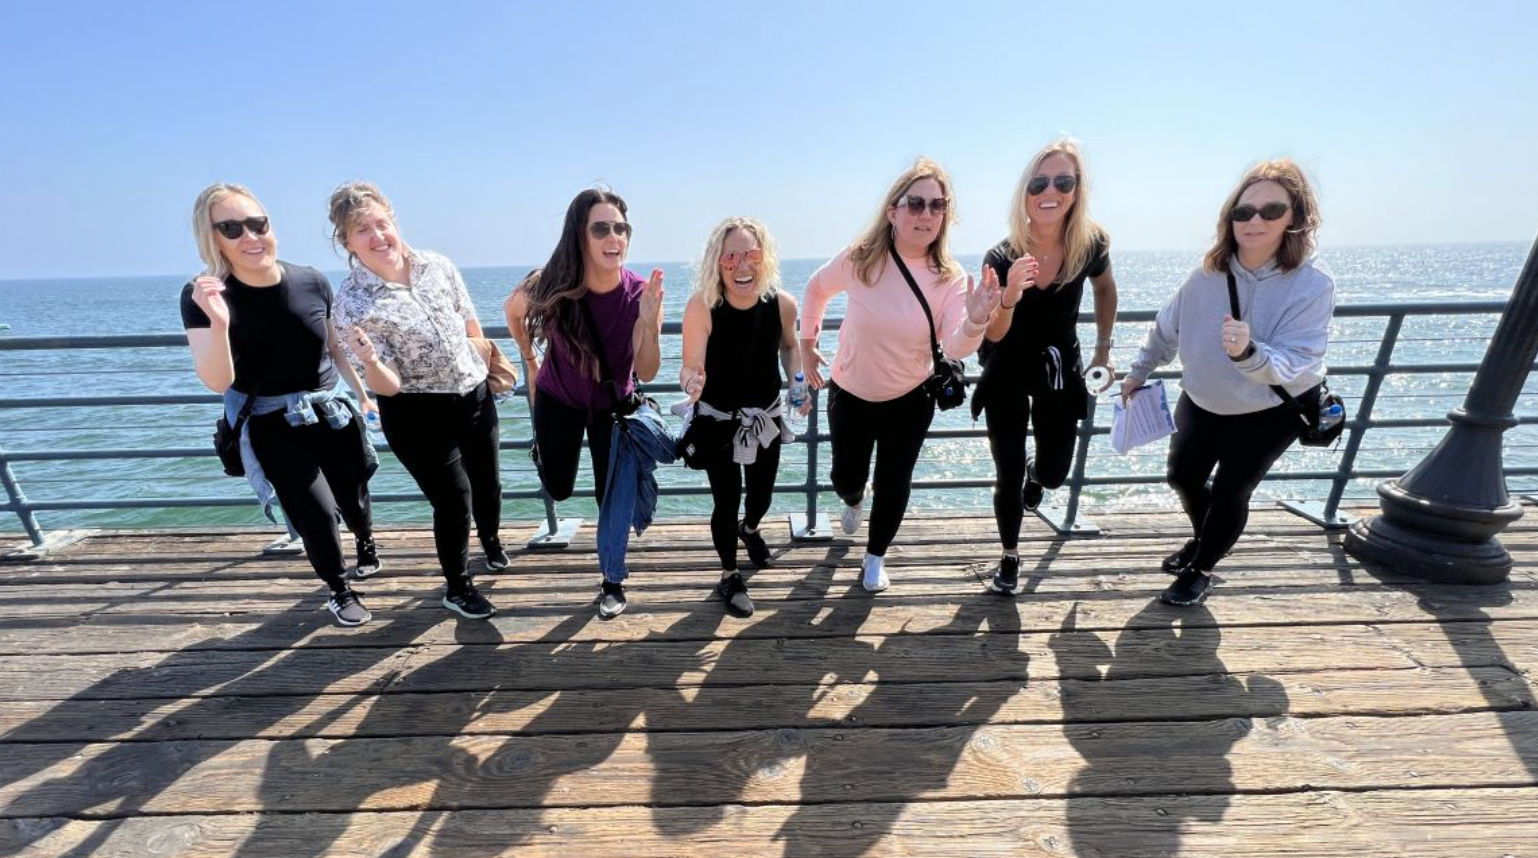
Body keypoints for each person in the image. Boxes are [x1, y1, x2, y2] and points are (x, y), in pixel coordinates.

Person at [1122, 158, 1332, 606]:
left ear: (1294, 216)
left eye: (1271, 210)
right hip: (1202, 400)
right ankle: (1206, 540)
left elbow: (1301, 359)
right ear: (1229, 218)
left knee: (1233, 490)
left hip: (1269, 411)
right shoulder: (1205, 275)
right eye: (1244, 211)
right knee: (1182, 476)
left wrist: (1249, 353)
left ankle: (1202, 568)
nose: (1254, 220)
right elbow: (1167, 328)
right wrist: (1139, 372)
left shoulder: (1313, 285)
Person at [180, 183, 380, 626]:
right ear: (211, 237)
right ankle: (339, 588)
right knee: (315, 511)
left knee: (353, 493)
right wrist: (217, 321)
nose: (250, 237)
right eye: (231, 228)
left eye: (258, 224)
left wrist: (363, 395)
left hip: (330, 408)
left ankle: (366, 541)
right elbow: (217, 380)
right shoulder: (204, 294)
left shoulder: (310, 279)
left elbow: (333, 346)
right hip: (271, 421)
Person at [799, 158, 1001, 593]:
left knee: (895, 480)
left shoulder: (950, 278)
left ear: (946, 214)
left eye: (936, 205)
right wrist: (807, 343)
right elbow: (816, 288)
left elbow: (955, 345)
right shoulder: (861, 259)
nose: (926, 214)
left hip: (910, 398)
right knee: (845, 477)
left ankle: (875, 557)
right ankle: (854, 500)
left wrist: (978, 319)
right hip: (851, 392)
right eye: (915, 204)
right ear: (893, 211)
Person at [328, 181, 502, 621]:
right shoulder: (351, 304)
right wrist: (368, 360)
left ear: (395, 221)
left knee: (488, 482)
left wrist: (479, 353)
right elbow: (387, 387)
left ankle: (493, 541)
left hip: (474, 394)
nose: (377, 235)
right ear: (346, 242)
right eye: (361, 229)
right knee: (454, 498)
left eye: (382, 223)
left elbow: (469, 318)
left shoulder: (436, 265)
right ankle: (458, 586)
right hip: (416, 412)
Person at [504, 189, 663, 619]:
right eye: (601, 228)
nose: (614, 237)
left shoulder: (640, 293)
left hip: (613, 407)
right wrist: (530, 358)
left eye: (621, 228)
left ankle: (612, 581)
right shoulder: (550, 283)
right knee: (559, 486)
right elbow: (513, 309)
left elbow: (646, 371)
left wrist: (649, 325)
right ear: (580, 234)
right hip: (560, 400)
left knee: (609, 498)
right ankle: (546, 455)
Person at [975, 139, 1118, 595]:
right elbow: (993, 335)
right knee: (1008, 469)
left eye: (1063, 181)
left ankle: (1039, 477)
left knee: (1054, 471)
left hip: (1060, 365)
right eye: (1038, 183)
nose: (1049, 191)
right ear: (1025, 193)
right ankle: (1010, 556)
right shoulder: (1001, 256)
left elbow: (1105, 290)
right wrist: (1011, 295)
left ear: (1077, 190)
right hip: (1008, 365)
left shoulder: (1090, 243)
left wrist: (1103, 350)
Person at [679, 216, 806, 618]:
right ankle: (729, 574)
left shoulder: (783, 304)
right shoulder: (703, 305)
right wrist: (690, 382)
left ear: (764, 257)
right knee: (726, 499)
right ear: (717, 262)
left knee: (762, 496)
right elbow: (689, 364)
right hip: (718, 420)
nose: (741, 266)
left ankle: (750, 530)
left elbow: (789, 347)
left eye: (751, 254)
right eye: (729, 256)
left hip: (765, 417)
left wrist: (797, 382)